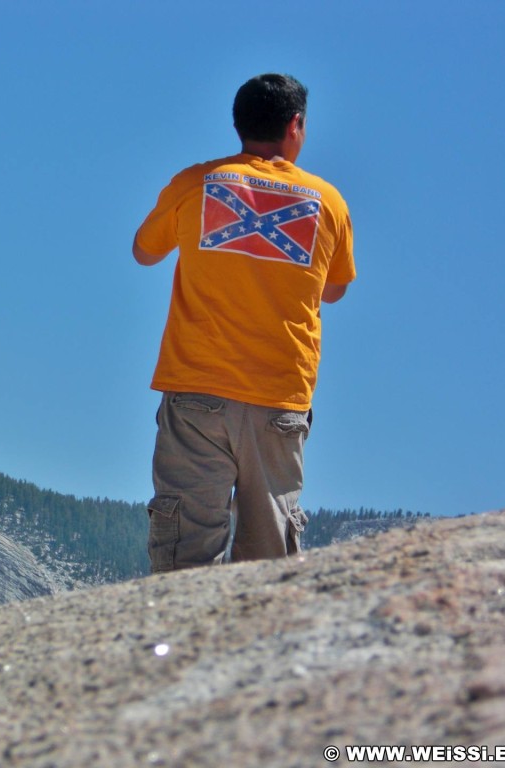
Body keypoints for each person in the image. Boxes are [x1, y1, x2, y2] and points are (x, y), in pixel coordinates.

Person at [132, 73, 355, 572]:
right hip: (279, 397)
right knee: (267, 564)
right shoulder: (329, 202)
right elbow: (335, 289)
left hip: (196, 389)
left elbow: (143, 252)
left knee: (186, 556)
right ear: (295, 126)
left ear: (237, 123)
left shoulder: (196, 183)